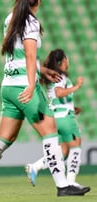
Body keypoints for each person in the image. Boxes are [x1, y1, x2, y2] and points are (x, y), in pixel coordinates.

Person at [0, 0, 90, 197]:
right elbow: (30, 55)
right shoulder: (31, 22)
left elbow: (20, 56)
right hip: (24, 87)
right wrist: (33, 84)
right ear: (38, 0)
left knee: (3, 138)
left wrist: (44, 71)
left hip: (9, 86)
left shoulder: (10, 18)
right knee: (50, 132)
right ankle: (63, 185)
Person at [25, 49, 89, 189]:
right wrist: (77, 86)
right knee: (76, 146)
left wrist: (73, 107)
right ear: (64, 60)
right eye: (67, 59)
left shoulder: (52, 77)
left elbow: (56, 97)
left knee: (63, 152)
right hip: (65, 118)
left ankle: (35, 166)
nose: (68, 62)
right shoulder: (61, 76)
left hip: (56, 117)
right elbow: (58, 93)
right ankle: (71, 181)